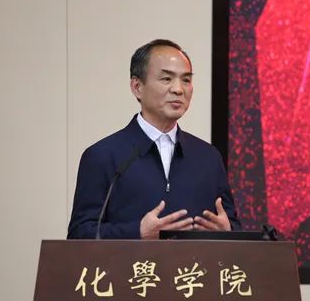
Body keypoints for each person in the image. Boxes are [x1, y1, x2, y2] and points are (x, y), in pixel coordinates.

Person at [67, 39, 241, 239]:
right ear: (137, 87)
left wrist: (228, 232)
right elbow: (79, 235)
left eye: (186, 80)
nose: (178, 89)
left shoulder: (208, 157)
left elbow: (236, 228)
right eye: (166, 79)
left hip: (194, 262)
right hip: (132, 261)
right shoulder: (103, 156)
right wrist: (137, 232)